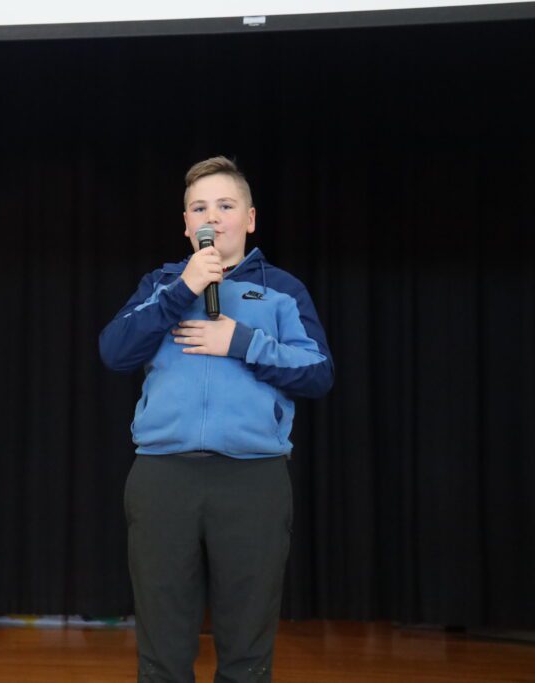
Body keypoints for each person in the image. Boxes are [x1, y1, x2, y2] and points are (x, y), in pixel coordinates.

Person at [99, 157, 333, 683]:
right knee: (162, 649)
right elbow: (114, 351)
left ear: (250, 218)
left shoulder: (283, 290)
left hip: (253, 479)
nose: (213, 216)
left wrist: (241, 342)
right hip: (163, 477)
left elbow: (319, 372)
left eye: (225, 205)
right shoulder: (160, 285)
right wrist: (182, 289)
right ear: (186, 225)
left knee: (248, 650)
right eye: (200, 207)